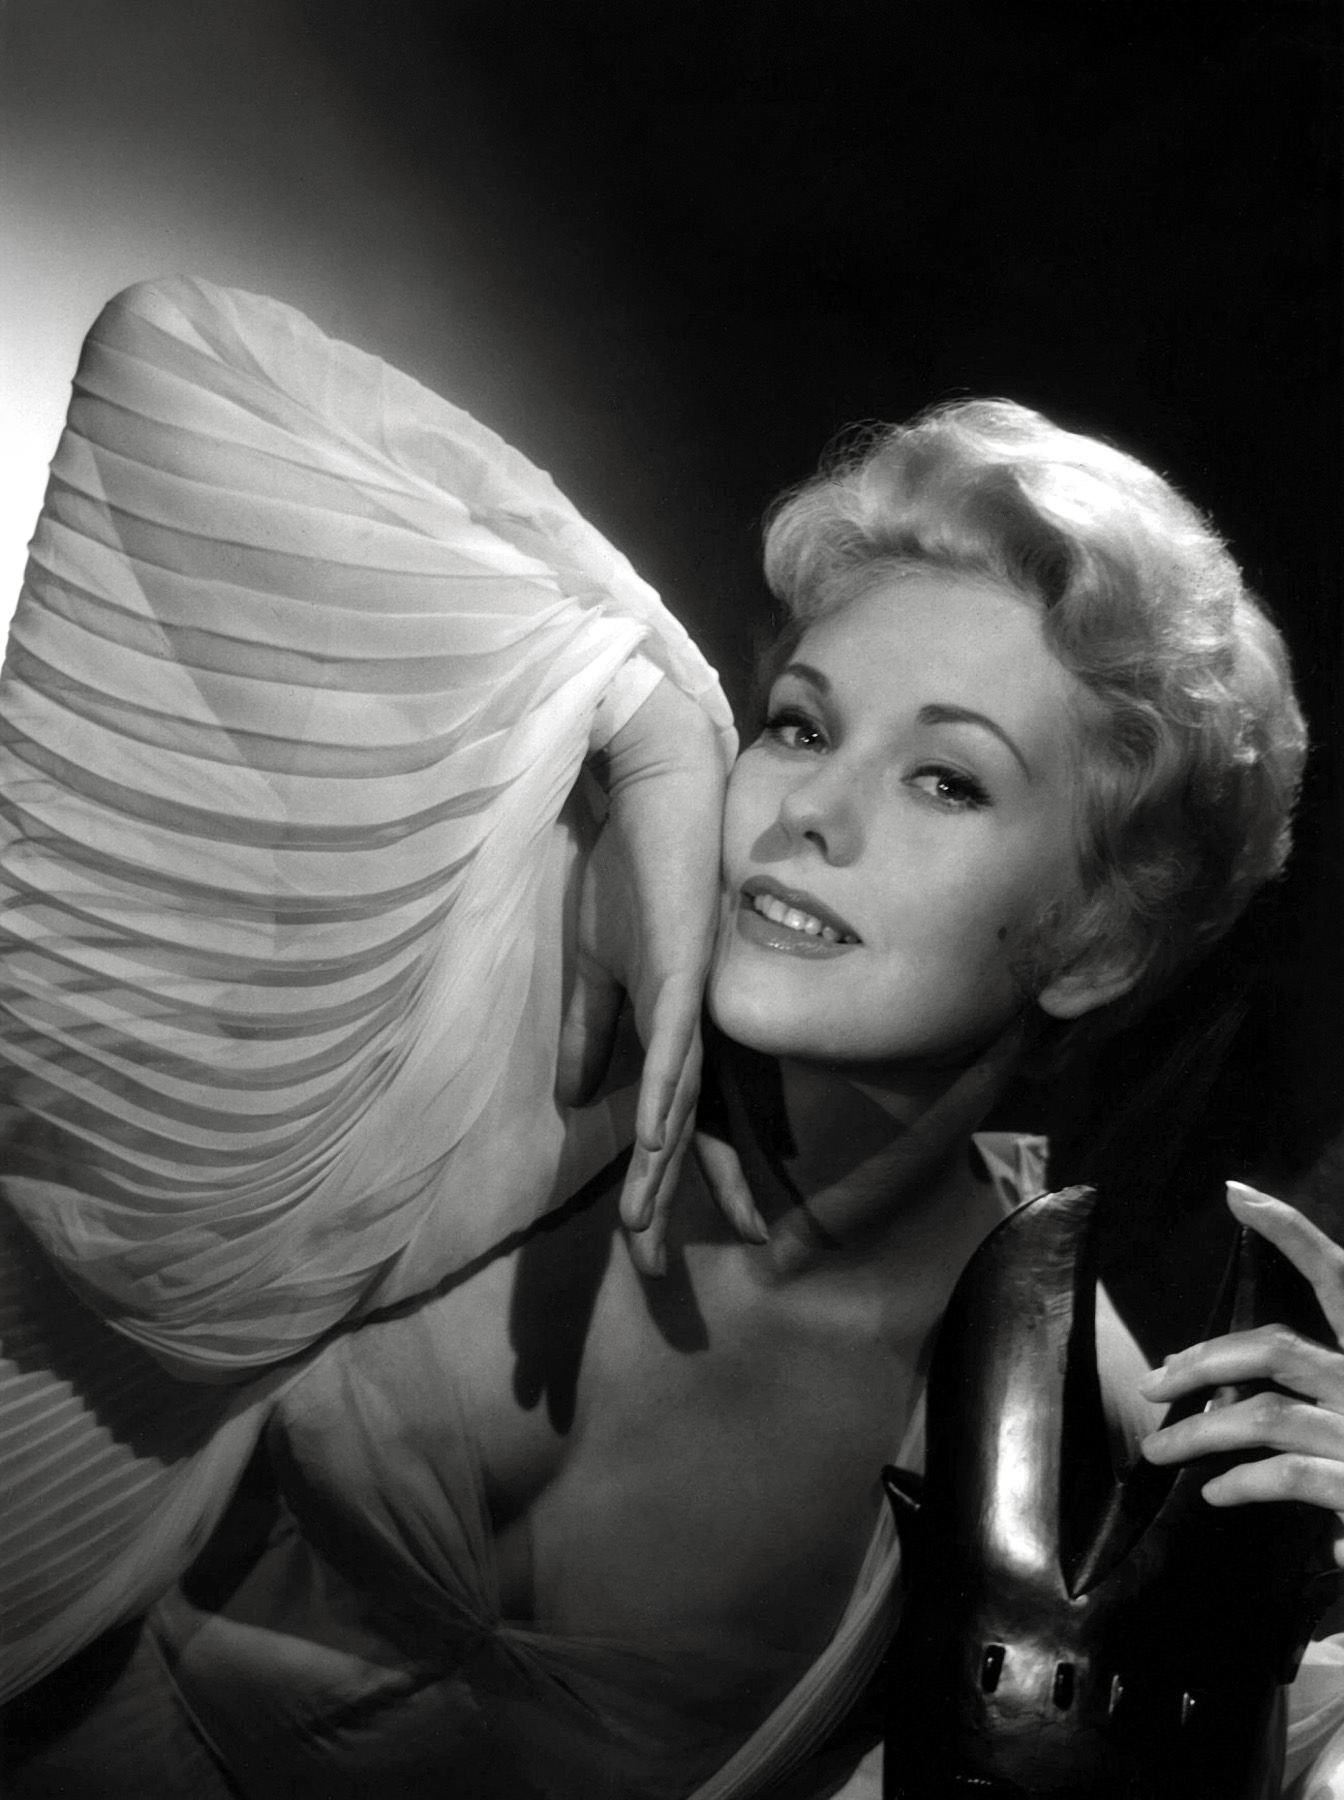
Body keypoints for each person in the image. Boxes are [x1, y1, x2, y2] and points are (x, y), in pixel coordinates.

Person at [1, 279, 1341, 1797]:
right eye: (802, 724)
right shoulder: (546, 977)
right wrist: (644, 708)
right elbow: (174, 357)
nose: (812, 810)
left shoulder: (1050, 1393)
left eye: (949, 780)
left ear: (1096, 945)